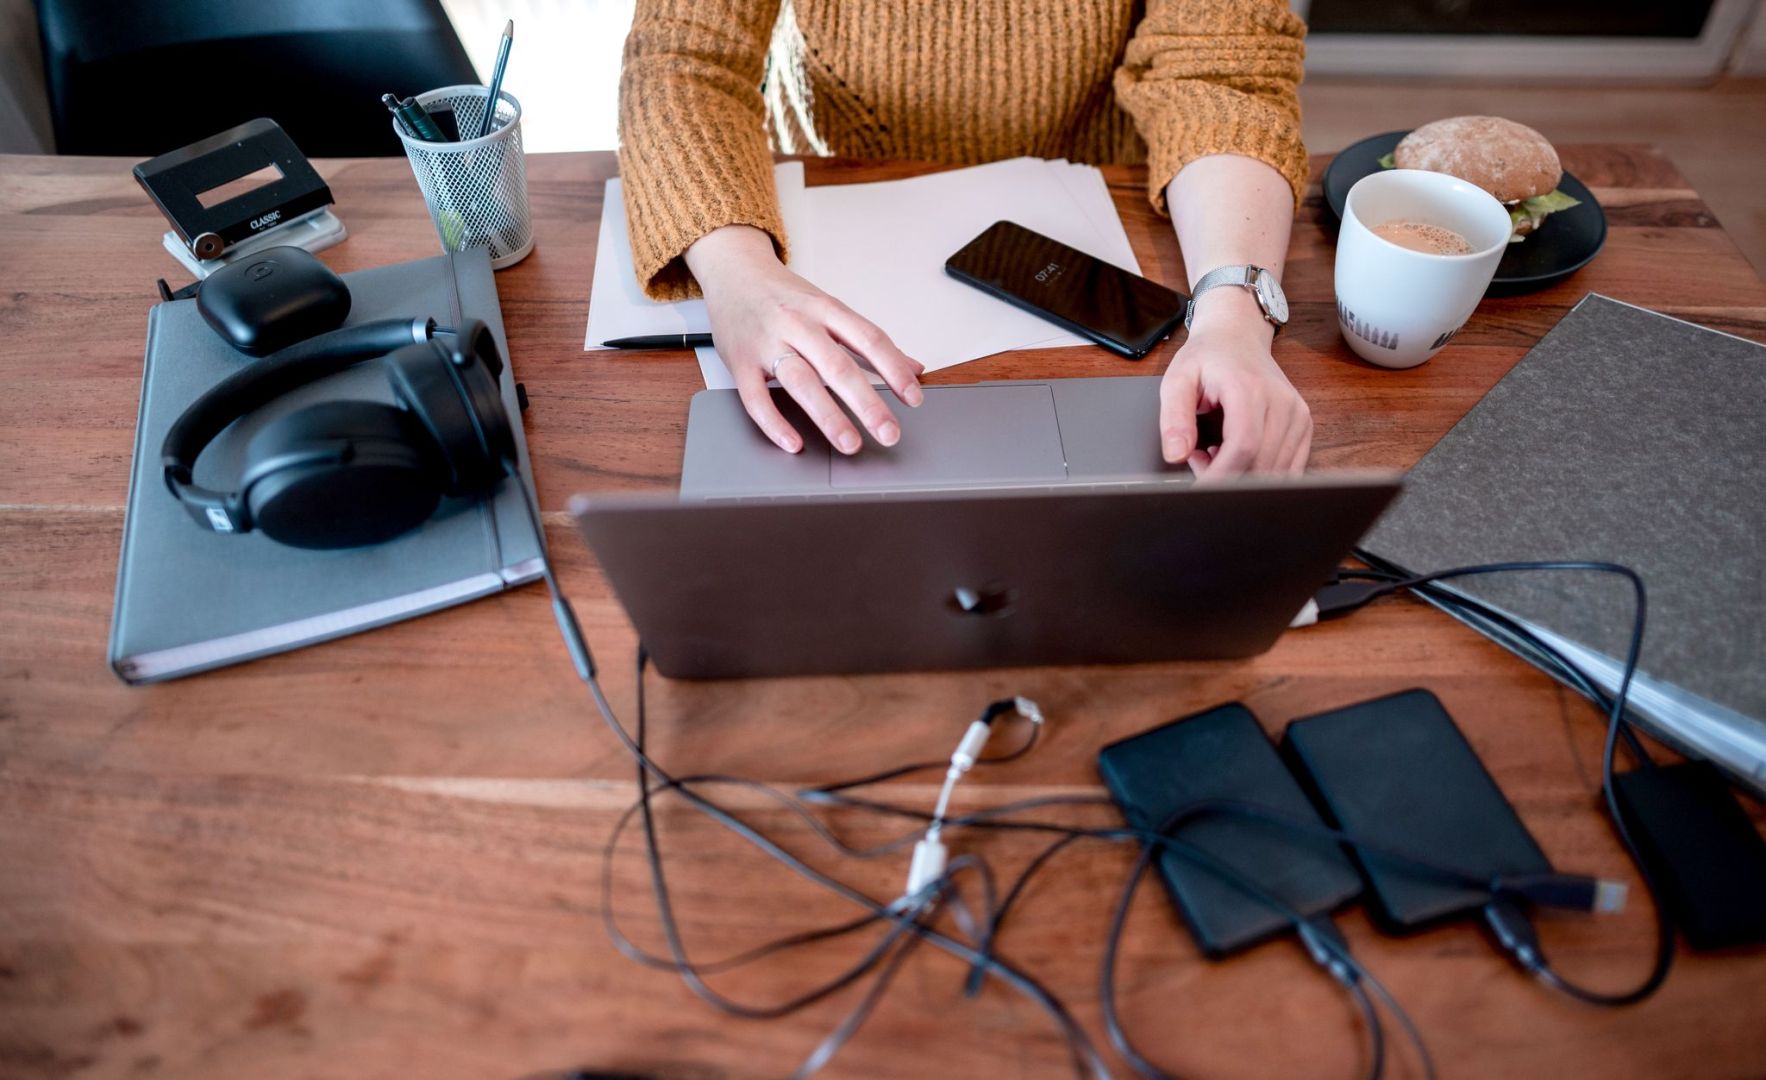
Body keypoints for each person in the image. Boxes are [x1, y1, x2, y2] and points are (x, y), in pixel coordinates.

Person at [618, 0, 1312, 477]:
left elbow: (1223, 68)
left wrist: (1234, 315)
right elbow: (682, 60)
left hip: (1105, 231)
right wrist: (737, 274)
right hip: (826, 226)